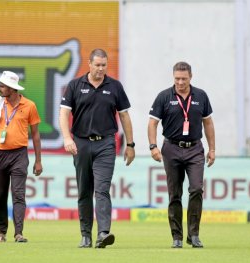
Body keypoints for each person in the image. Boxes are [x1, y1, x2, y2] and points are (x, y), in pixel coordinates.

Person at [59, 49, 135, 248]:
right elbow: (63, 113)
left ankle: (103, 233)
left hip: (106, 144)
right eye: (97, 65)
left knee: (102, 189)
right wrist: (67, 138)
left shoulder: (115, 86)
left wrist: (130, 144)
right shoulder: (75, 85)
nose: (101, 69)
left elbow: (125, 116)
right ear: (89, 64)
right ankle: (85, 235)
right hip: (81, 143)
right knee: (84, 191)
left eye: (104, 65)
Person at [148, 61, 215, 248]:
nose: (180, 82)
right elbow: (152, 123)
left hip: (195, 149)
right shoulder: (163, 97)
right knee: (174, 194)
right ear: (173, 77)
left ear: (191, 77)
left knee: (196, 190)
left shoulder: (201, 96)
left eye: (184, 79)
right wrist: (153, 146)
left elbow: (208, 123)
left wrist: (213, 149)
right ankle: (176, 236)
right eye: (177, 78)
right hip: (171, 148)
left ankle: (193, 235)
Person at [0, 71, 43, 243]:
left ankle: (18, 233)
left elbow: (36, 135)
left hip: (19, 154)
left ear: (12, 88)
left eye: (2, 86)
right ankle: (1, 232)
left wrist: (38, 160)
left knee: (18, 194)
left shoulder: (29, 105)